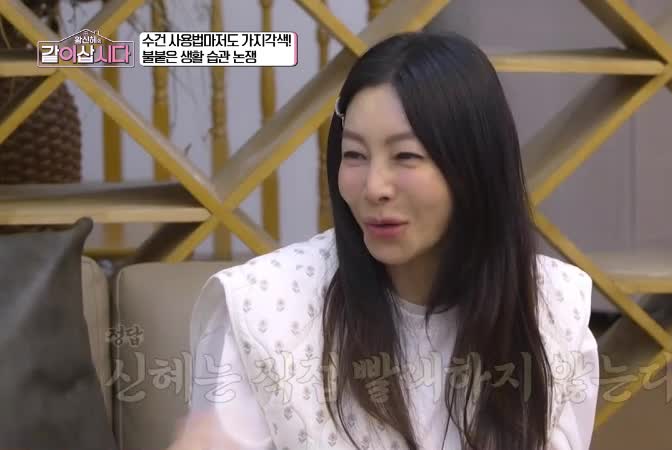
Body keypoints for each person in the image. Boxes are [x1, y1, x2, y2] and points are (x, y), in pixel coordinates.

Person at [175, 31, 599, 450]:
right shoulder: (263, 307)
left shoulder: (556, 310)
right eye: (355, 155)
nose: (374, 187)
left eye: (405, 156)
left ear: (476, 167)